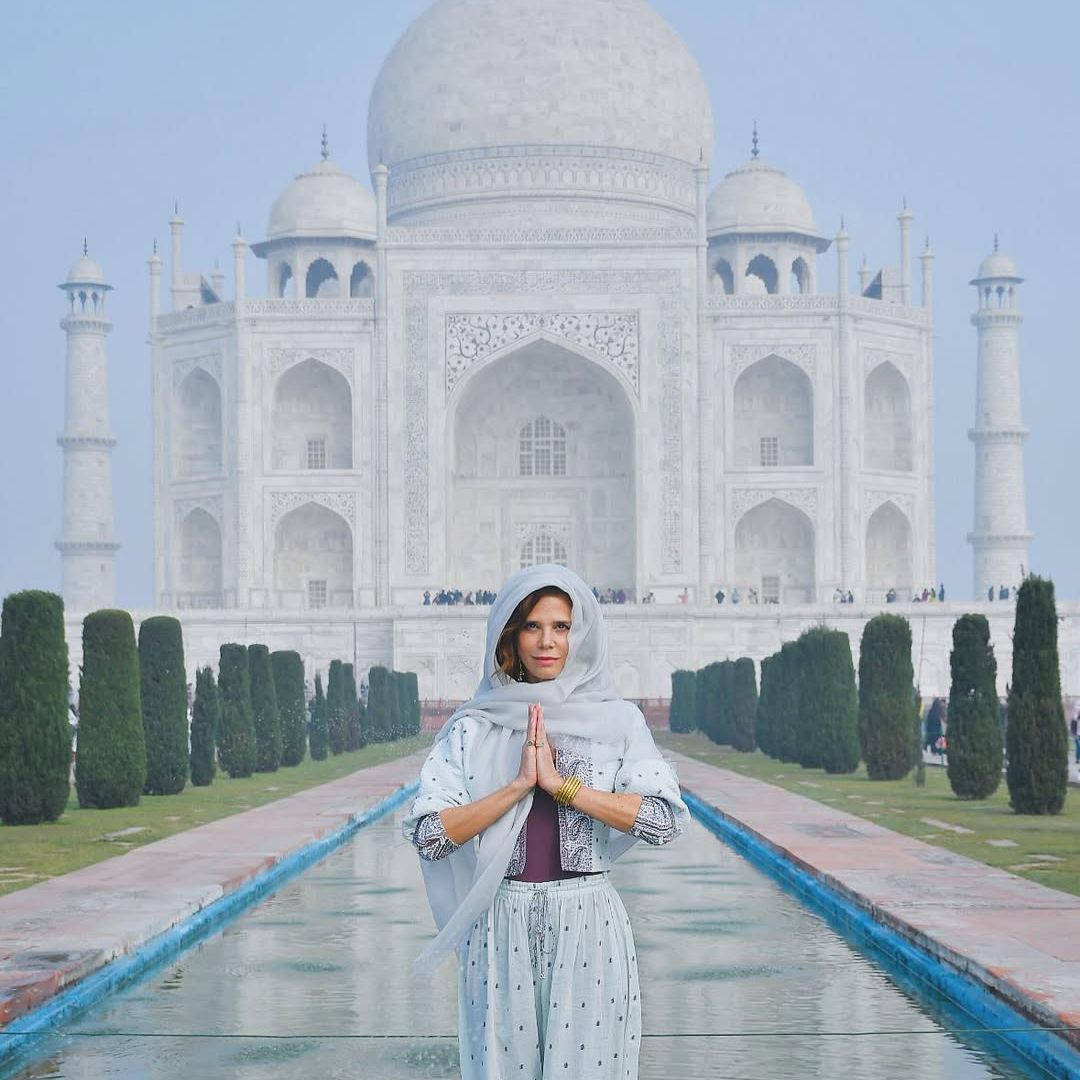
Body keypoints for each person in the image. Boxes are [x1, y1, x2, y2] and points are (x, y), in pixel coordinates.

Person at [403, 565, 687, 1080]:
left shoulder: (615, 721)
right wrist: (516, 787)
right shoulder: (476, 727)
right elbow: (429, 836)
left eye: (561, 627)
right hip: (499, 921)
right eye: (532, 626)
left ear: (580, 634)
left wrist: (563, 786)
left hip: (588, 921)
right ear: (510, 635)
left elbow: (661, 821)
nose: (547, 641)